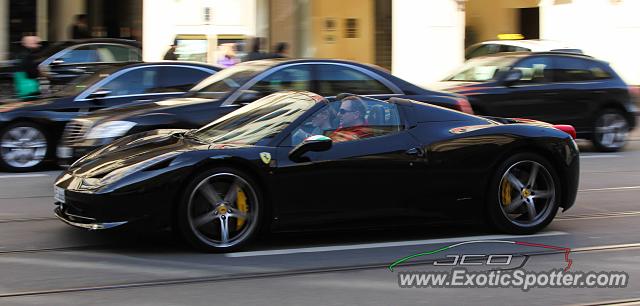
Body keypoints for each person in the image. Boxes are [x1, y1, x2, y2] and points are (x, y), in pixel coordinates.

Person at [14, 36, 43, 100]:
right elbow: (32, 73)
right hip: (29, 89)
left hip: (22, 88)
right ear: (29, 43)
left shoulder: (20, 54)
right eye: (36, 43)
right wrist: (39, 72)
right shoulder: (29, 55)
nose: (39, 45)